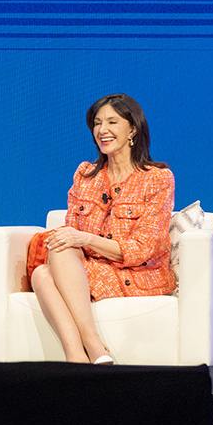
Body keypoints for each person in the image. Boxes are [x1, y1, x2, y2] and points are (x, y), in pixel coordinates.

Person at [32, 93, 174, 364]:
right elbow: (70, 234)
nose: (102, 130)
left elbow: (142, 250)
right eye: (97, 123)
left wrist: (85, 238)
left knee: (45, 272)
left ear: (133, 128)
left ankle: (85, 348)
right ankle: (83, 354)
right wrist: (77, 239)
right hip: (90, 267)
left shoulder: (157, 179)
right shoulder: (85, 174)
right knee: (44, 269)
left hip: (137, 273)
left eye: (112, 122)